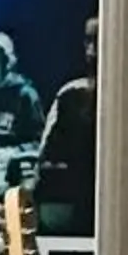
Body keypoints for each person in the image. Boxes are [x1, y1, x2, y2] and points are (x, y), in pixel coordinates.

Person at [35, 14, 100, 234]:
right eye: (88, 42)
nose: (92, 50)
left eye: (98, 41)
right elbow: (46, 155)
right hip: (72, 198)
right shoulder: (70, 95)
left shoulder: (72, 94)